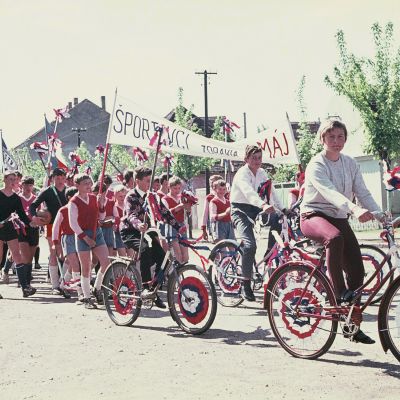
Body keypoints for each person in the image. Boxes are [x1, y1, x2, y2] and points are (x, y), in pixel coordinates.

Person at [300, 119, 382, 345]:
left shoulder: (350, 163)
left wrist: (379, 213)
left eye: (340, 137)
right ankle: (337, 292)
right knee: (334, 238)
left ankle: (351, 327)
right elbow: (329, 193)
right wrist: (354, 209)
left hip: (339, 217)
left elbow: (363, 192)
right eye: (331, 137)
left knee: (357, 272)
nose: (336, 141)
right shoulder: (316, 164)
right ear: (322, 139)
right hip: (313, 215)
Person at [119, 167, 185, 309]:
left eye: (151, 180)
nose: (150, 184)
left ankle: (153, 290)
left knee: (164, 258)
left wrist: (179, 227)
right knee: (145, 249)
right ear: (137, 181)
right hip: (130, 231)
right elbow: (131, 215)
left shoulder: (153, 196)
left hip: (147, 232)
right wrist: (138, 224)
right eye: (147, 181)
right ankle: (144, 287)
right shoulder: (131, 196)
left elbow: (165, 213)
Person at [230, 145, 283, 301]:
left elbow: (271, 192)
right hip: (240, 209)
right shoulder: (242, 174)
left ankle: (268, 257)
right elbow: (249, 193)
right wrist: (263, 205)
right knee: (249, 245)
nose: (257, 161)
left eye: (259, 158)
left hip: (256, 209)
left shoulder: (262, 173)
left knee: (277, 220)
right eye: (253, 158)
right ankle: (245, 284)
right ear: (246, 159)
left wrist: (283, 208)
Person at [68, 174, 109, 309]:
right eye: (85, 183)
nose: (88, 186)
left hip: (96, 231)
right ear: (77, 185)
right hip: (82, 234)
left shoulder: (94, 198)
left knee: (106, 262)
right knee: (86, 267)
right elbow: (73, 224)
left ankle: (97, 288)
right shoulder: (74, 202)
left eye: (89, 183)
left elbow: (101, 218)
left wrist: (102, 205)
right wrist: (86, 238)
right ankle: (86, 297)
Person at [30, 168, 68, 296]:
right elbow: (33, 206)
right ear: (52, 179)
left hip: (67, 225)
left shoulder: (69, 191)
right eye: (57, 178)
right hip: (51, 224)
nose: (60, 181)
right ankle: (55, 285)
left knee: (68, 254)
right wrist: (35, 217)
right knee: (54, 253)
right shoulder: (47, 192)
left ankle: (65, 282)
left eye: (62, 178)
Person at [0, 171, 36, 297]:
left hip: (9, 227)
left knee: (17, 255)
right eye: (10, 179)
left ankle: (25, 288)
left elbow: (21, 214)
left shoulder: (16, 197)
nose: (13, 182)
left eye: (14, 179)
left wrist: (31, 222)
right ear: (4, 180)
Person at [52, 187, 83, 301]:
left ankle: (63, 284)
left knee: (76, 264)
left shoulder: (81, 208)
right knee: (74, 264)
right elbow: (56, 227)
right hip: (68, 238)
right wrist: (55, 242)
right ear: (70, 197)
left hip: (79, 237)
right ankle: (80, 292)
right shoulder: (63, 210)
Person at [161, 176, 191, 264]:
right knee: (177, 254)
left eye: (179, 188)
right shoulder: (164, 199)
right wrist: (178, 207)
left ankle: (182, 271)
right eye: (175, 188)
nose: (177, 190)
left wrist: (188, 208)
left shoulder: (182, 198)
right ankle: (177, 274)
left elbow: (188, 213)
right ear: (169, 187)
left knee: (185, 256)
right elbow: (165, 215)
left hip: (181, 226)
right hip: (171, 226)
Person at [18, 176, 40, 286]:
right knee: (24, 256)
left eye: (30, 185)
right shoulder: (17, 198)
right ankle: (24, 283)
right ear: (21, 185)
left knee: (30, 258)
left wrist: (39, 220)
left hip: (34, 230)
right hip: (21, 229)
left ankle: (27, 281)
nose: (28, 187)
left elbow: (41, 213)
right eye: (26, 185)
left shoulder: (36, 199)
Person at [200, 174, 223, 241]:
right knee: (220, 245)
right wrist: (203, 228)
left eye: (213, 182)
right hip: (215, 224)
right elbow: (205, 213)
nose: (211, 184)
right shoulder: (209, 197)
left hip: (226, 223)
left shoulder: (226, 196)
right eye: (211, 183)